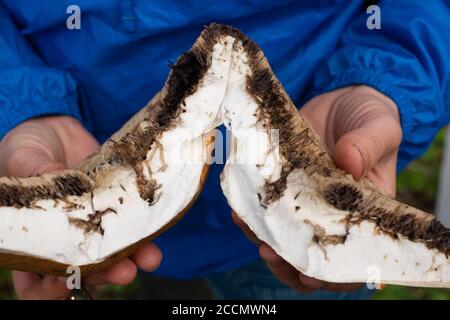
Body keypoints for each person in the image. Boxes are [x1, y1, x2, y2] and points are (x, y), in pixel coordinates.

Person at [0, 1, 448, 300]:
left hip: (281, 244)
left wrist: (383, 79)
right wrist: (19, 107)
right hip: (135, 228)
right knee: (172, 291)